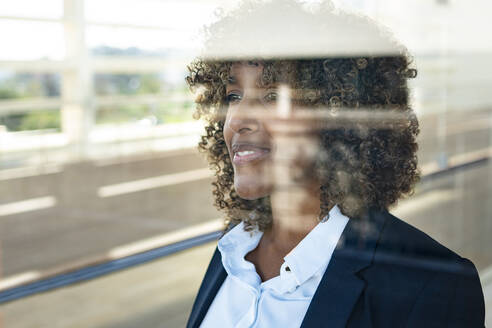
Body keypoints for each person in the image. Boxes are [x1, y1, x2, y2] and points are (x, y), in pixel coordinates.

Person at [185, 1, 485, 327]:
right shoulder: (233, 250)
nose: (238, 119)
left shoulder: (432, 287)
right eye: (233, 96)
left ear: (338, 117)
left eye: (273, 97)